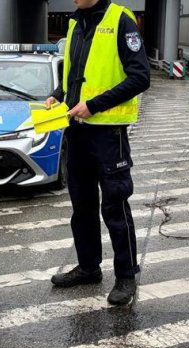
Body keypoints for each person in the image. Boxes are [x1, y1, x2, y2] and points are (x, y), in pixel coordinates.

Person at [45, 0, 151, 305]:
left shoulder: (121, 20)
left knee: (115, 206)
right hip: (76, 130)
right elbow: (74, 75)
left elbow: (140, 77)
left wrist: (94, 105)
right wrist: (57, 95)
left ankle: (126, 276)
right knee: (82, 206)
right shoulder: (75, 24)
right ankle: (89, 266)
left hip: (108, 132)